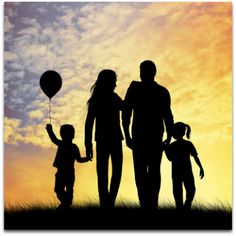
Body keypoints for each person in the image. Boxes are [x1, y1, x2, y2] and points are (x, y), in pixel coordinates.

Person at [122, 60, 174, 209]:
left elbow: (167, 115)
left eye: (144, 70)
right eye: (142, 70)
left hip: (154, 138)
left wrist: (169, 134)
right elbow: (126, 114)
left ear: (152, 72)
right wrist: (127, 136)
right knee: (142, 173)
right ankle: (146, 205)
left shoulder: (161, 91)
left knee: (153, 172)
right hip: (140, 138)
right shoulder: (135, 88)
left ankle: (152, 205)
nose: (142, 73)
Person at [85, 69, 123, 208]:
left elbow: (125, 107)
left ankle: (107, 203)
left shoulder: (111, 97)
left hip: (108, 139)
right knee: (108, 172)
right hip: (107, 139)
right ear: (108, 82)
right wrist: (88, 144)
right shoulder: (102, 99)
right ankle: (107, 203)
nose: (115, 85)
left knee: (107, 173)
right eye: (114, 82)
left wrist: (88, 144)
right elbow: (89, 123)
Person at [46, 123, 91, 210]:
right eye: (62, 133)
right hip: (63, 172)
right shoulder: (64, 144)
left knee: (67, 189)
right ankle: (66, 203)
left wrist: (86, 158)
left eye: (63, 133)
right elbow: (53, 139)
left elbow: (79, 159)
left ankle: (65, 204)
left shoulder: (71, 146)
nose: (63, 135)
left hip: (68, 172)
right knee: (59, 189)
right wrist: (49, 130)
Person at [163, 122, 204, 210]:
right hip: (186, 171)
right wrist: (201, 168)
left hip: (177, 171)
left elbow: (170, 158)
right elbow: (195, 157)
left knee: (178, 191)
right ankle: (186, 206)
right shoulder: (188, 144)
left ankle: (182, 208)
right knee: (191, 189)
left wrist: (165, 148)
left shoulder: (173, 146)